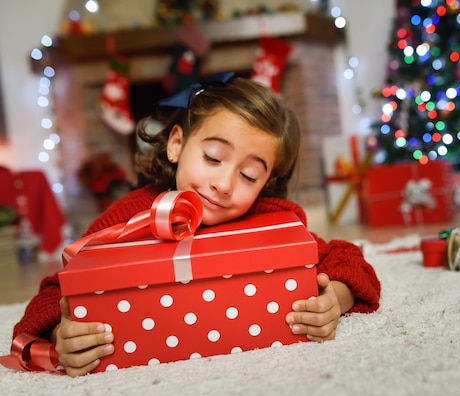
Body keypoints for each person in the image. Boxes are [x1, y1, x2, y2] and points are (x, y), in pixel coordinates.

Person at [11, 72, 381, 377]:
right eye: (212, 157)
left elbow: (350, 259)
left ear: (265, 184)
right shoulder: (130, 215)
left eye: (249, 176)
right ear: (176, 145)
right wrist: (63, 334)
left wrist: (335, 297)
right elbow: (51, 294)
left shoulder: (270, 218)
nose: (223, 184)